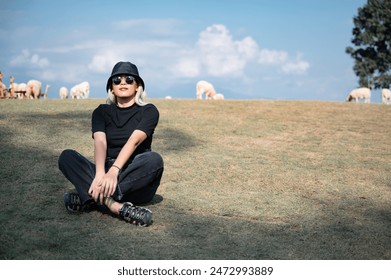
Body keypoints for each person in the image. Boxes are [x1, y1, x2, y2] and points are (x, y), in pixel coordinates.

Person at [58, 61, 164, 226]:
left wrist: (114, 171)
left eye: (129, 79)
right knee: (67, 157)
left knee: (154, 160)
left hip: (134, 178)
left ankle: (91, 198)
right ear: (111, 87)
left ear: (137, 86)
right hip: (105, 175)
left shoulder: (149, 111)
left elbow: (134, 141)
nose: (123, 82)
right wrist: (101, 173)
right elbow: (100, 141)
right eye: (117, 80)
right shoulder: (101, 112)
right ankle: (114, 206)